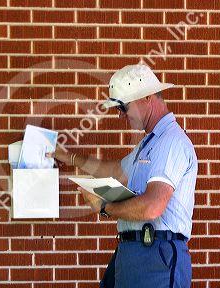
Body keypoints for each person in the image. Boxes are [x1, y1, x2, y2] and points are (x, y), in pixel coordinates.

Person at [47, 64, 198, 288]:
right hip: (136, 253)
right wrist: (70, 158)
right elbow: (116, 171)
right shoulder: (149, 144)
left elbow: (152, 207)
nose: (120, 116)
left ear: (146, 97)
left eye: (123, 107)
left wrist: (104, 208)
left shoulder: (170, 142)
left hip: (156, 257)